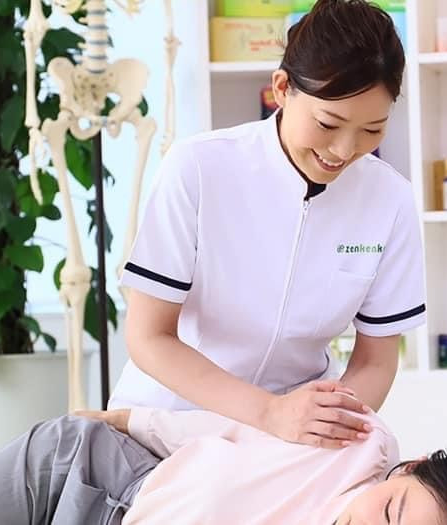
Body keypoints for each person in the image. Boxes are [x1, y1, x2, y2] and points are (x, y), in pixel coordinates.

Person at [111, 0, 425, 449]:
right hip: (165, 425)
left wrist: (331, 429)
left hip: (293, 440)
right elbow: (149, 337)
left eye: (372, 130)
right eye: (328, 123)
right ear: (282, 88)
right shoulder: (198, 168)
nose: (344, 150)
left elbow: (375, 360)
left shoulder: (389, 199)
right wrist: (269, 415)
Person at [0, 407, 447, 525]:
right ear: (410, 468)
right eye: (390, 514)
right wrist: (126, 418)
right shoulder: (357, 441)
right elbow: (234, 425)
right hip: (88, 476)